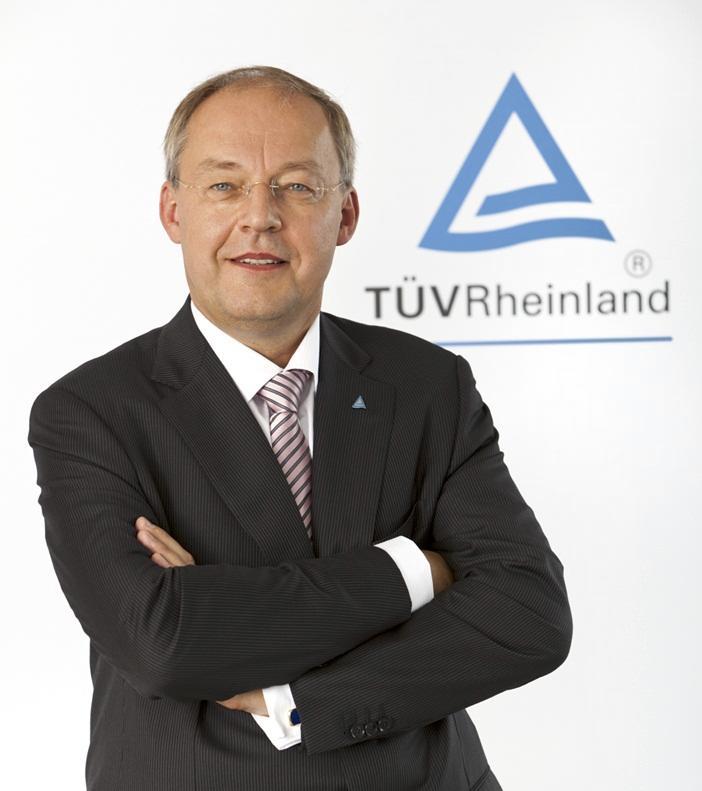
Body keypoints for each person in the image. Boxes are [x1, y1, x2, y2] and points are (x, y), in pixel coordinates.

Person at [27, 65, 572, 791]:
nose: (260, 216)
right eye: (225, 185)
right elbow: (164, 644)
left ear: (344, 214)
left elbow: (529, 611)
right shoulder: (91, 412)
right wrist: (415, 572)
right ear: (173, 210)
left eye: (296, 186)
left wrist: (291, 691)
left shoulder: (427, 384)